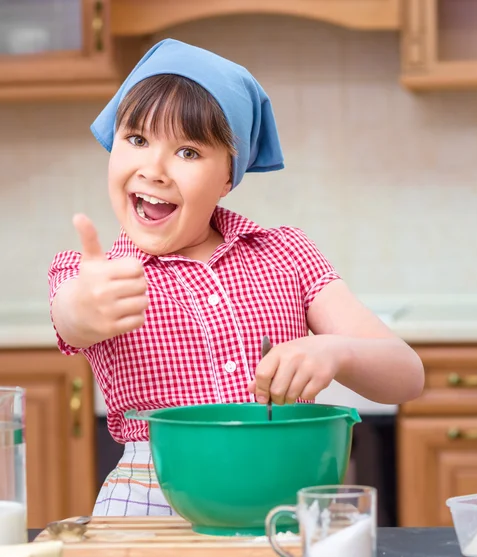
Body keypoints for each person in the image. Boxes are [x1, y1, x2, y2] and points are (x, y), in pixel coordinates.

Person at [48, 38, 424, 517]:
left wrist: (336, 349)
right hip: (148, 507)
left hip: (281, 501)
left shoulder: (287, 254)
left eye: (187, 152)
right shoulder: (93, 275)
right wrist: (85, 306)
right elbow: (72, 314)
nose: (154, 169)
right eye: (137, 140)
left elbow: (406, 377)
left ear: (229, 176)